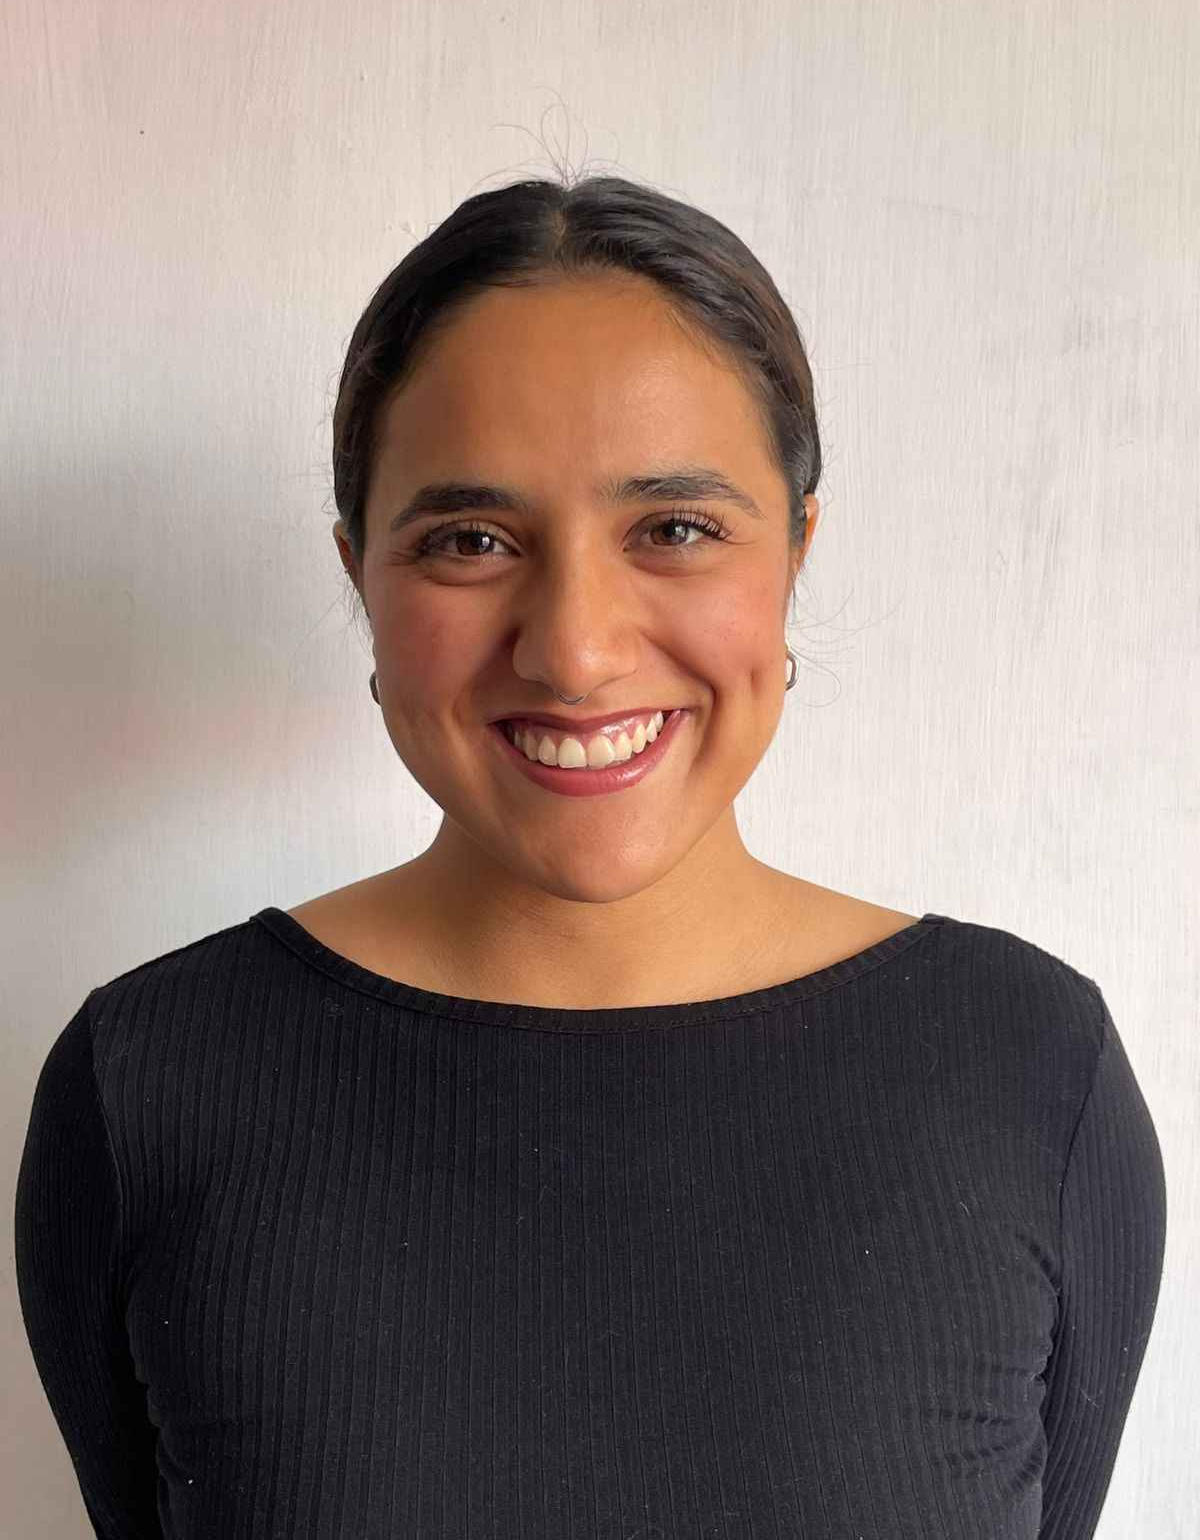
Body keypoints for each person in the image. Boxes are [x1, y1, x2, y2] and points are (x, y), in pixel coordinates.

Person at [15, 171, 1166, 1539]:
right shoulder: (147, 1084)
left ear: (797, 548)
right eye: (470, 540)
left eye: (674, 530)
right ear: (359, 570)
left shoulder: (1031, 1073)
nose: (574, 649)